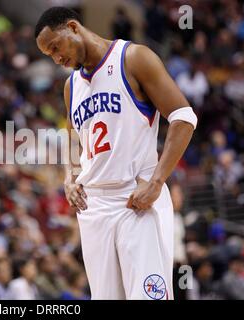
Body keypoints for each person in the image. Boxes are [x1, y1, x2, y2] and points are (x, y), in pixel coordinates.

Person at [35, 7, 197, 299]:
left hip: (135, 198)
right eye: (49, 55)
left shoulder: (133, 58)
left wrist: (158, 182)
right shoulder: (71, 86)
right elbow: (73, 137)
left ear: (73, 27)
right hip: (93, 207)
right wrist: (70, 176)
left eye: (56, 47)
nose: (57, 59)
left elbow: (184, 118)